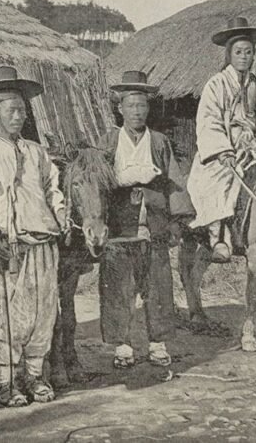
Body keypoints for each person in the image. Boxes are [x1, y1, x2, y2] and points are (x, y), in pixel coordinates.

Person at [0, 66, 67, 407]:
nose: (18, 116)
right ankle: (7, 382)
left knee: (42, 312)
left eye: (22, 110)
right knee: (5, 315)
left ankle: (35, 376)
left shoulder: (37, 152)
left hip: (42, 243)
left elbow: (53, 189)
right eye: (11, 110)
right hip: (5, 245)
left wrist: (62, 215)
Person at [96, 71, 187, 369]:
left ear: (148, 109)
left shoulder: (159, 142)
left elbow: (173, 181)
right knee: (119, 287)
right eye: (131, 105)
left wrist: (175, 221)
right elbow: (95, 181)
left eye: (142, 106)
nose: (137, 111)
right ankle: (122, 345)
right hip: (120, 229)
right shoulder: (108, 142)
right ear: (120, 108)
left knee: (158, 287)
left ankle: (157, 343)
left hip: (153, 226)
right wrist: (123, 180)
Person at [187, 17, 256, 263]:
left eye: (248, 52)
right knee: (222, 179)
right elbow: (209, 120)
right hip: (223, 150)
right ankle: (218, 236)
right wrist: (223, 150)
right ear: (229, 54)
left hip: (251, 147)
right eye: (238, 52)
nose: (243, 57)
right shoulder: (216, 85)